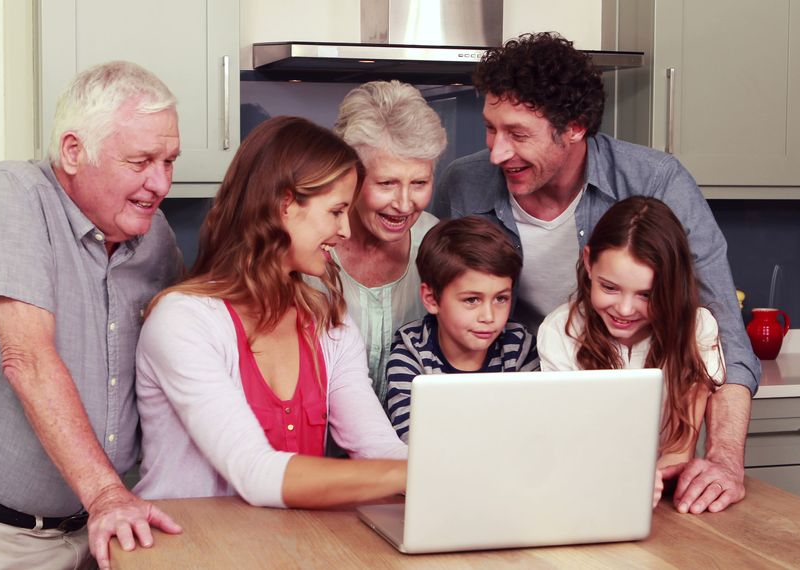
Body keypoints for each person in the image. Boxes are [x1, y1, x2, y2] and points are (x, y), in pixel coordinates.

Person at [431, 31, 760, 514]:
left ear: (575, 128)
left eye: (519, 135)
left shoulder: (656, 181)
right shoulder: (464, 183)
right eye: (490, 128)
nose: (497, 152)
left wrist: (725, 460)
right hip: (517, 426)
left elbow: (724, 334)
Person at [0, 61, 184, 570]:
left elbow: (187, 347)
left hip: (100, 531)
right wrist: (107, 492)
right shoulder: (13, 192)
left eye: (169, 160)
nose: (161, 182)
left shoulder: (156, 236)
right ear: (73, 151)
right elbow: (27, 359)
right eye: (142, 160)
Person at [133, 116, 407, 507]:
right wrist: (415, 474)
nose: (346, 230)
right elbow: (255, 473)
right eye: (336, 211)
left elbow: (377, 447)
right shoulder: (184, 322)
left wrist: (452, 471)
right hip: (185, 552)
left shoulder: (330, 323)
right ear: (285, 206)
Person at [537, 197, 725, 509]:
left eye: (646, 295)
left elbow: (680, 449)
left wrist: (642, 482)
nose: (624, 309)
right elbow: (568, 442)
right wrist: (617, 482)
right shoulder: (560, 331)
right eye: (609, 287)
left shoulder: (698, 329)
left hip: (668, 500)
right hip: (587, 496)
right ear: (588, 262)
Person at [320, 80, 448, 405]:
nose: (405, 205)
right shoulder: (309, 247)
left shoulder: (439, 245)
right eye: (387, 182)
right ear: (349, 174)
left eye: (419, 182)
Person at [385, 216, 540, 441]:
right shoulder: (411, 355)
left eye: (501, 298)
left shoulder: (519, 347)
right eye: (471, 300)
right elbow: (416, 445)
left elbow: (535, 433)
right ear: (431, 299)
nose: (489, 317)